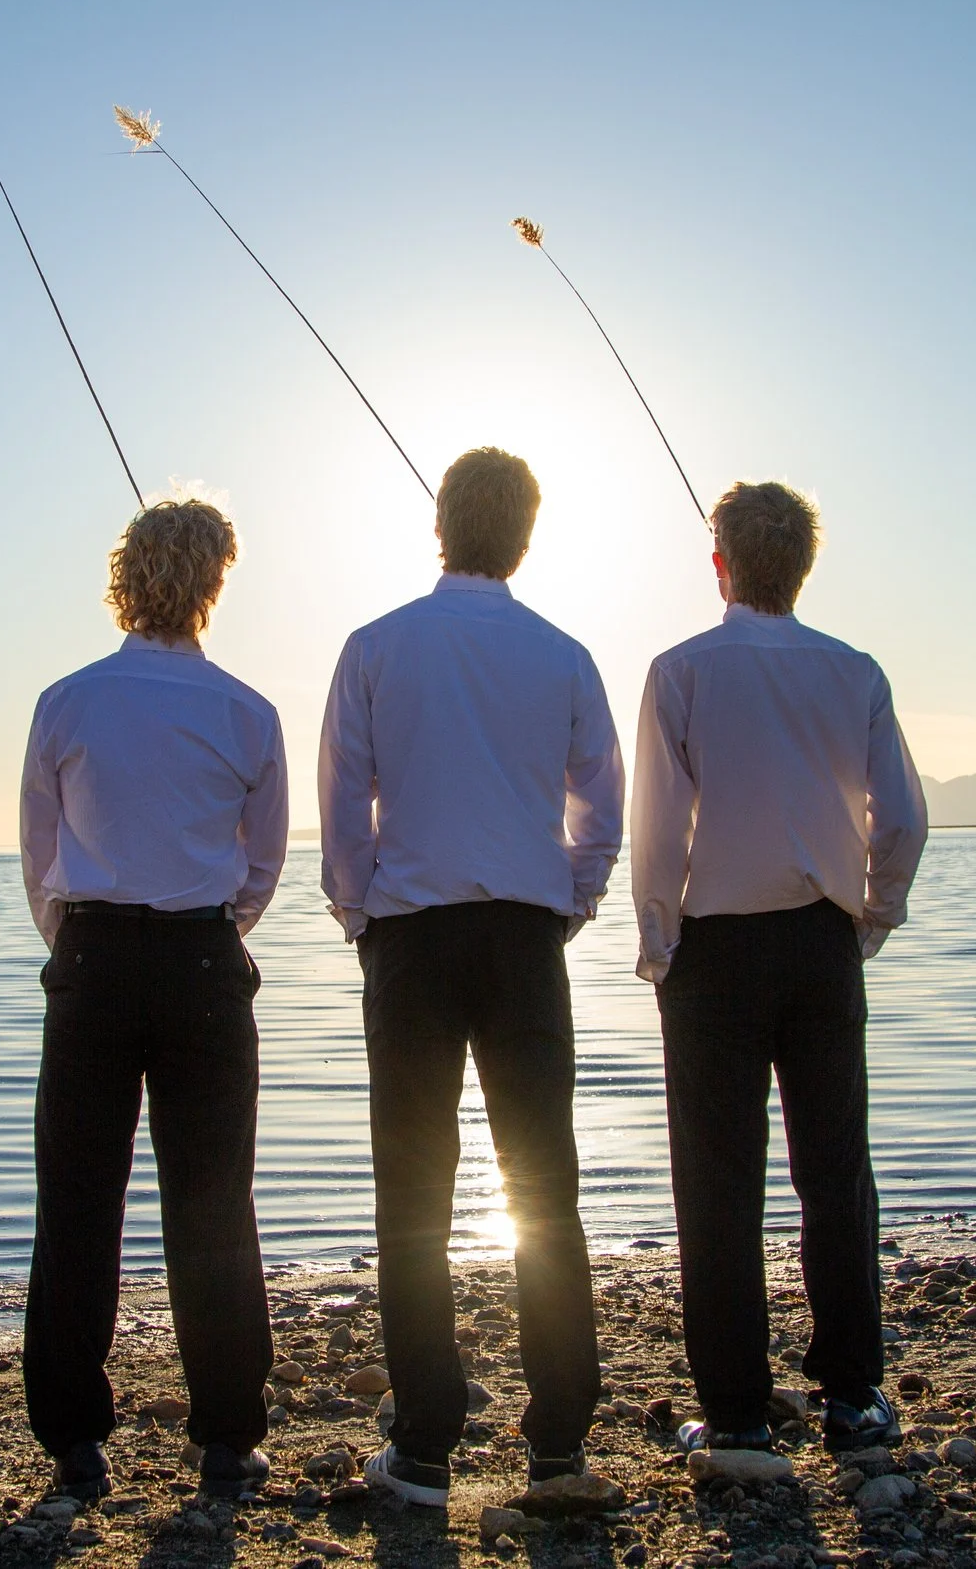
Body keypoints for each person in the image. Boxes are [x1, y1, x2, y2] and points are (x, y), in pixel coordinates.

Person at [319, 447, 624, 1508]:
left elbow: (342, 803)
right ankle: (557, 1445)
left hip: (410, 939)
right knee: (545, 1184)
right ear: (525, 536)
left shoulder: (374, 646)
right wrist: (568, 903)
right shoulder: (564, 654)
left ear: (440, 525)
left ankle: (424, 1446)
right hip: (522, 941)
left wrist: (362, 918)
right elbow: (602, 808)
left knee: (414, 1195)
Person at [627, 481, 927, 1460]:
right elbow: (904, 818)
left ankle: (741, 1417)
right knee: (834, 1174)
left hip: (713, 950)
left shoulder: (680, 671)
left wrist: (659, 942)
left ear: (720, 564)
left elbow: (657, 829)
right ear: (801, 567)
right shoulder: (855, 671)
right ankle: (851, 1399)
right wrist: (869, 916)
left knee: (716, 1184)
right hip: (821, 941)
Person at [18, 500, 287, 1503]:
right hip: (203, 965)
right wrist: (203, 932)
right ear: (213, 582)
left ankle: (74, 1440)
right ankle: (225, 1435)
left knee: (78, 1203)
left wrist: (86, 939)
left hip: (90, 959)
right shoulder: (246, 711)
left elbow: (39, 859)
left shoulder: (68, 700)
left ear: (126, 578)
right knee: (212, 1204)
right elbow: (260, 868)